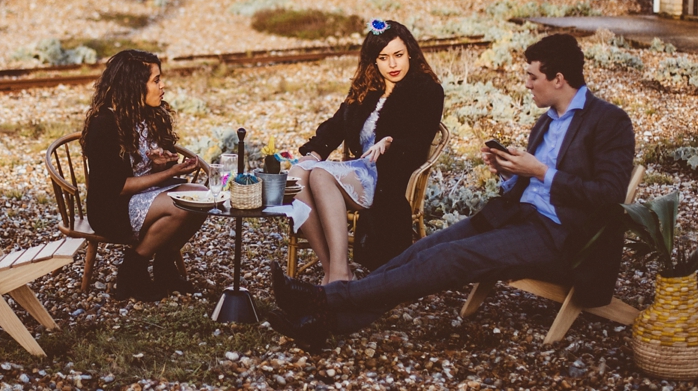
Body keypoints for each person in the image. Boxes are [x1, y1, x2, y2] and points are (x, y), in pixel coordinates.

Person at [269, 33, 636, 349]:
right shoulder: (546, 121)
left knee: (452, 259)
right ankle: (329, 323)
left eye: (532, 76)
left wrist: (540, 170)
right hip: (516, 215)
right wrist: (509, 172)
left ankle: (324, 298)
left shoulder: (608, 122)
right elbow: (532, 184)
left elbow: (609, 195)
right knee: (423, 249)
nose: (526, 83)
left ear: (558, 79)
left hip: (563, 236)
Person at [288, 19, 445, 282]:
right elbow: (338, 124)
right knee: (297, 174)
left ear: (410, 53)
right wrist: (315, 153)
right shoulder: (367, 89)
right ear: (374, 61)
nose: (393, 65)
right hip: (359, 170)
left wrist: (390, 142)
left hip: (389, 176)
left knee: (320, 176)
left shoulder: (427, 91)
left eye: (398, 55)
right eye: (383, 58)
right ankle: (335, 270)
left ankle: (337, 274)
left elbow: (418, 142)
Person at [81, 49, 208, 301]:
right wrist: (170, 173)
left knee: (203, 198)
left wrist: (161, 164)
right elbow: (117, 187)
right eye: (156, 80)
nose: (162, 87)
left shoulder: (148, 114)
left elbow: (148, 169)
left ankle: (165, 266)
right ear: (134, 85)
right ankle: (133, 268)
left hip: (145, 195)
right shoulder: (104, 124)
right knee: (182, 207)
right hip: (113, 208)